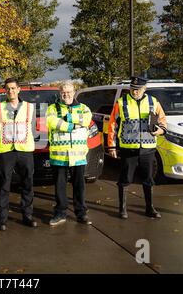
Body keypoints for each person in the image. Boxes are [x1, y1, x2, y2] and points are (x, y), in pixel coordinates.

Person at [107, 76, 167, 219]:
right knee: (125, 179)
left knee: (148, 179)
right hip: (128, 148)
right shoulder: (121, 103)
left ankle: (150, 208)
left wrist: (160, 130)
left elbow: (163, 120)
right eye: (133, 89)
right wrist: (112, 146)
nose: (135, 92)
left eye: (138, 89)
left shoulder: (153, 102)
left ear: (144, 89)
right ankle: (122, 209)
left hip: (148, 148)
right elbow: (112, 126)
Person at [46, 81, 93, 226]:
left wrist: (67, 119)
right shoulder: (52, 108)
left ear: (74, 92)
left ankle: (81, 213)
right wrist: (74, 125)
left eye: (69, 92)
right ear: (60, 93)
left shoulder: (84, 108)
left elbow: (87, 119)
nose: (66, 94)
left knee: (79, 186)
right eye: (63, 92)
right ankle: (60, 213)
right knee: (60, 186)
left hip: (78, 156)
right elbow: (52, 122)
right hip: (59, 155)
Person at [0, 78, 37, 231]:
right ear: (5, 91)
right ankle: (2, 219)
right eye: (8, 89)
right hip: (6, 151)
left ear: (19, 89)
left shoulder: (29, 107)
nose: (10, 91)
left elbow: (32, 128)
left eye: (13, 88)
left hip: (24, 150)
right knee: (4, 184)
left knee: (27, 183)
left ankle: (27, 215)